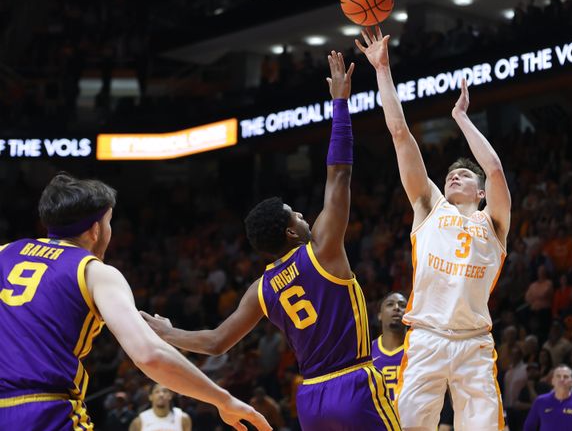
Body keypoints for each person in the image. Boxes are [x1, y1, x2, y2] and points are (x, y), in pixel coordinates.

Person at [143, 51, 400, 431]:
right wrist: (340, 104)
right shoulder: (323, 251)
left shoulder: (260, 289)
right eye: (296, 214)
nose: (303, 215)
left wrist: (167, 333)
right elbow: (340, 174)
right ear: (290, 232)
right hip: (355, 383)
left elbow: (216, 342)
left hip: (311, 399)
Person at [0, 173, 269, 431]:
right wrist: (223, 400)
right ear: (95, 230)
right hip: (45, 414)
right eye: (109, 222)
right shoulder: (94, 271)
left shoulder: (4, 253)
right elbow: (150, 355)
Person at [358, 27, 511, 430]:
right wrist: (383, 71)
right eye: (450, 174)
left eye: (463, 175)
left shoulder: (493, 223)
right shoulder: (429, 206)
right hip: (425, 336)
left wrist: (460, 117)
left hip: (475, 341)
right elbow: (400, 133)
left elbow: (494, 169)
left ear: (479, 192)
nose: (454, 178)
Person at [523, 364, 572, 431]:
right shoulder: (540, 401)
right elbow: (528, 427)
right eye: (558, 376)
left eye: (566, 377)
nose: (561, 380)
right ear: (552, 381)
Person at [371, 292, 407, 401]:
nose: (396, 308)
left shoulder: (419, 351)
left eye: (402, 305)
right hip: (377, 417)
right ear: (380, 315)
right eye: (390, 304)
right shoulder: (366, 353)